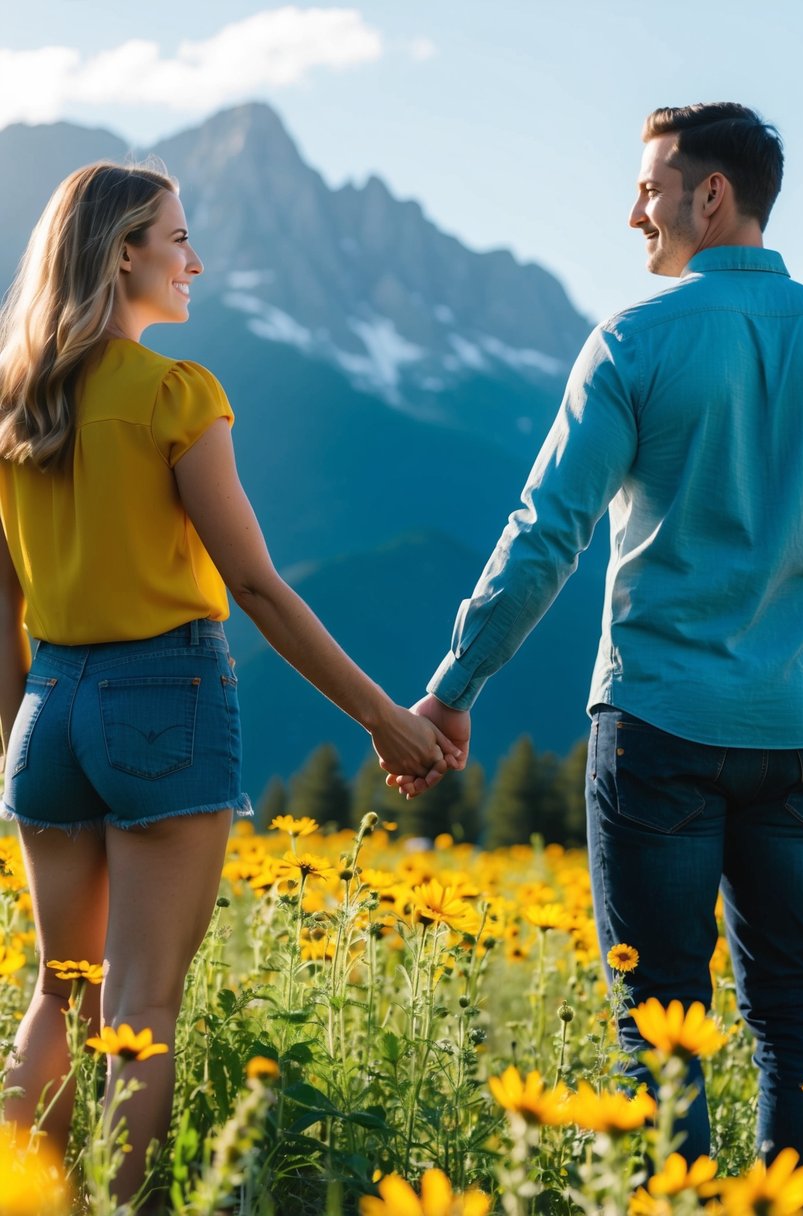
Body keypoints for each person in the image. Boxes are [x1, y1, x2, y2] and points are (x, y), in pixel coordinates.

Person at [0, 161, 459, 1210]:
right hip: (164, 699)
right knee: (141, 1007)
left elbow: (3, 600)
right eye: (177, 238)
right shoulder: (175, 393)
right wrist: (384, 718)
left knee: (57, 993)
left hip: (44, 710)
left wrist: (17, 730)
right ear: (124, 254)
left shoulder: (16, 401)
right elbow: (254, 583)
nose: (195, 260)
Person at [385, 103, 803, 1164]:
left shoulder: (633, 341)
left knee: (659, 1023)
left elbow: (546, 534)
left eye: (648, 186)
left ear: (708, 195)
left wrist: (454, 684)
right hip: (800, 732)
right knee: (794, 1012)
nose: (633, 210)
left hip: (658, 727)